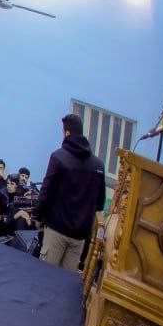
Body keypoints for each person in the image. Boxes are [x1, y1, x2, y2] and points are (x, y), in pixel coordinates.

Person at [37, 113, 106, 269]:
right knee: (66, 281)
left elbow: (46, 193)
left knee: (45, 277)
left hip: (56, 230)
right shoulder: (98, 165)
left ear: (67, 133)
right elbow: (100, 203)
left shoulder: (58, 157)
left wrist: (39, 216)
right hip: (79, 237)